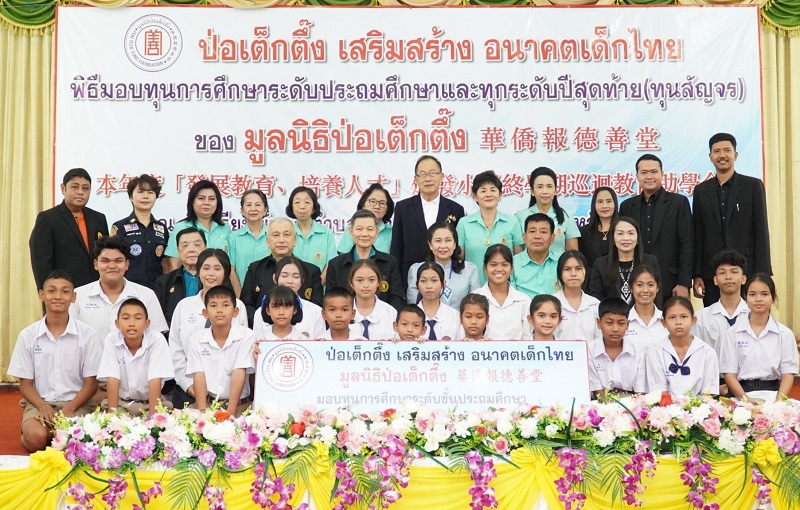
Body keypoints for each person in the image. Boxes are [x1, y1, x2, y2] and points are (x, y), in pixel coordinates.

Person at [8, 270, 101, 452]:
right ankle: (34, 432)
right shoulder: (28, 335)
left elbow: (91, 383)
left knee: (73, 440)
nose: (58, 296)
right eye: (51, 291)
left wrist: (70, 408)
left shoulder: (88, 334)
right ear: (41, 295)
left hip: (78, 404)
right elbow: (25, 384)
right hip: (40, 403)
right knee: (36, 438)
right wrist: (43, 406)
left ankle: (55, 435)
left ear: (73, 297)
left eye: (65, 291)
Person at [693, 133, 771, 307]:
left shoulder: (753, 186)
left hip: (746, 270)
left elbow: (761, 230)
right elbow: (698, 234)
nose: (722, 155)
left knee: (748, 317)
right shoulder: (701, 191)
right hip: (712, 273)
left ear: (735, 155)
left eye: (727, 150)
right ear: (710, 156)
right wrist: (697, 274)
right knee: (714, 318)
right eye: (717, 151)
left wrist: (763, 274)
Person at [169, 249, 248, 409]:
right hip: (189, 392)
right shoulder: (184, 306)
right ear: (198, 271)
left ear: (225, 273)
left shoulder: (238, 306)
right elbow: (175, 349)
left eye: (217, 268)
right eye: (206, 268)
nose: (211, 273)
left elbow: (241, 353)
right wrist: (189, 384)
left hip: (230, 396)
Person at [619, 154, 693, 302]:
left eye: (654, 172)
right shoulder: (627, 206)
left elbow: (687, 243)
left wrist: (684, 283)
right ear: (637, 176)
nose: (649, 176)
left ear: (662, 174)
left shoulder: (678, 203)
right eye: (644, 172)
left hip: (670, 283)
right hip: (634, 282)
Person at [70, 236, 168, 342]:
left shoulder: (147, 295)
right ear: (96, 264)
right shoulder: (77, 296)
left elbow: (157, 338)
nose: (112, 266)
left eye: (118, 261)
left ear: (127, 264)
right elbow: (69, 338)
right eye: (105, 261)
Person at [720, 274, 798, 402]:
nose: (758, 299)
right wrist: (747, 400)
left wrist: (778, 403)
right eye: (752, 294)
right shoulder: (732, 333)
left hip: (774, 395)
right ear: (745, 297)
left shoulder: (785, 334)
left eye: (764, 294)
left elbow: (788, 373)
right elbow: (729, 374)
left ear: (773, 298)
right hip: (740, 395)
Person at [30, 168, 109, 290]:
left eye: (85, 188)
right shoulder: (48, 218)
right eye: (75, 187)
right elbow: (41, 262)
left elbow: (106, 255)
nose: (80, 192)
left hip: (96, 289)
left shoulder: (98, 218)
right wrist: (47, 291)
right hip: (63, 291)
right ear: (63, 188)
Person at [391, 155, 466, 282]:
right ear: (416, 179)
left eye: (432, 173)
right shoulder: (402, 208)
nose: (428, 179)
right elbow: (396, 247)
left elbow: (458, 248)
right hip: (410, 276)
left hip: (447, 278)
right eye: (422, 174)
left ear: (441, 177)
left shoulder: (456, 209)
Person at [186, 285, 255, 415]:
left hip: (239, 406)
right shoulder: (196, 339)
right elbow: (199, 375)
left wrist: (230, 414)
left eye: (225, 305)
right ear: (205, 313)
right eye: (213, 305)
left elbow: (239, 372)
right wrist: (202, 412)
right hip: (207, 404)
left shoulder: (247, 336)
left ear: (235, 312)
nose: (219, 310)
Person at [241, 217, 324, 325]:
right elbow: (247, 305)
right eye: (276, 235)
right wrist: (266, 324)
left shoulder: (311, 271)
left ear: (295, 240)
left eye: (286, 235)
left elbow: (317, 307)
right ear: (267, 241)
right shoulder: (255, 269)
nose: (281, 240)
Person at [97, 298, 174, 415]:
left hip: (150, 402)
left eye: (138, 318)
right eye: (126, 318)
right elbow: (112, 379)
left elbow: (155, 380)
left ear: (147, 323)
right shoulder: (112, 339)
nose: (131, 323)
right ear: (117, 323)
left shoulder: (157, 340)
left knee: (163, 418)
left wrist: (153, 419)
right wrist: (113, 417)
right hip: (121, 403)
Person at [326, 210, 404, 310]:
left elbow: (396, 297)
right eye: (359, 229)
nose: (364, 234)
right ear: (350, 231)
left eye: (370, 229)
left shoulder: (390, 262)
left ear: (377, 232)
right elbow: (331, 299)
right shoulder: (336, 264)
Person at [457, 171, 523, 285]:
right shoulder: (464, 223)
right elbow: (459, 259)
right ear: (475, 196)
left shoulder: (512, 222)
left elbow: (518, 259)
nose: (488, 195)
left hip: (505, 287)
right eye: (483, 191)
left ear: (500, 195)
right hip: (473, 287)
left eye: (493, 190)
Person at [645, 297, 719, 397]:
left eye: (684, 317)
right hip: (665, 405)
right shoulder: (656, 352)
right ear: (664, 322)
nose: (678, 322)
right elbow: (659, 391)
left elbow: (708, 393)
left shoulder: (707, 352)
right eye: (672, 317)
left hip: (699, 405)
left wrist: (695, 405)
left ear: (693, 320)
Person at [110, 174, 169, 290]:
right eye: (140, 192)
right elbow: (113, 259)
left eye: (150, 192)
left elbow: (165, 262)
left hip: (157, 290)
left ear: (156, 197)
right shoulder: (120, 226)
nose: (145, 196)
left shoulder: (162, 228)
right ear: (131, 198)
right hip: (128, 289)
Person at [588, 217, 660, 305]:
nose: (626, 238)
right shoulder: (600, 264)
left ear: (638, 238)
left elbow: (657, 295)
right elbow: (595, 299)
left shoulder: (650, 261)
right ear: (613, 238)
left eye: (631, 233)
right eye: (620, 233)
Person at [406, 222, 480, 307]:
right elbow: (413, 306)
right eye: (438, 241)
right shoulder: (416, 270)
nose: (443, 246)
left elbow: (476, 304)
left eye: (448, 240)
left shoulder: (469, 270)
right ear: (430, 245)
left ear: (455, 244)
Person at [692, 249, 749, 358]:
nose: (728, 277)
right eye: (722, 273)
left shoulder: (754, 315)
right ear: (715, 280)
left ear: (743, 279)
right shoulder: (701, 318)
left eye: (734, 272)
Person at [164, 180, 232, 270]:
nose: (206, 203)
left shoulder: (225, 228)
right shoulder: (181, 227)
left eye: (211, 199)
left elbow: (230, 264)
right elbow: (174, 265)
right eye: (201, 198)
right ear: (192, 201)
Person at [252, 256, 325, 339]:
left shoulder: (316, 311)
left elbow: (319, 344)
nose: (289, 281)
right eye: (284, 276)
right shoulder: (260, 312)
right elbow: (258, 343)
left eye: (296, 277)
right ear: (275, 278)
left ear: (302, 280)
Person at [514, 167, 580, 256]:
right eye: (540, 187)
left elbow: (572, 254)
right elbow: (517, 254)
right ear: (532, 191)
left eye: (549, 186)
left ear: (555, 190)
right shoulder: (520, 216)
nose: (545, 191)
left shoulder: (566, 216)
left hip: (558, 265)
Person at [588, 297, 645, 398]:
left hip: (632, 403)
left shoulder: (638, 351)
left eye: (621, 323)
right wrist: (609, 407)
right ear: (599, 323)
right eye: (609, 323)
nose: (615, 329)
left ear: (628, 324)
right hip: (600, 404)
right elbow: (597, 391)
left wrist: (632, 406)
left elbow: (640, 391)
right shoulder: (589, 350)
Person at [472, 244, 531, 340]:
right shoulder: (473, 298)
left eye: (504, 264)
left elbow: (528, 337)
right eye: (493, 264)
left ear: (511, 268)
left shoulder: (524, 301)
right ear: (485, 268)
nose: (499, 269)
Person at [153, 227, 206, 326]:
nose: (191, 250)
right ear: (178, 250)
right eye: (185, 245)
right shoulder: (164, 282)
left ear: (205, 247)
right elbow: (158, 318)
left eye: (197, 245)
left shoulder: (216, 279)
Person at [286, 186, 337, 281]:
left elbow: (331, 263)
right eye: (297, 202)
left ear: (314, 208)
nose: (302, 206)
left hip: (319, 287)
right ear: (292, 208)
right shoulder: (287, 232)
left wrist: (318, 284)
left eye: (307, 202)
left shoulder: (326, 233)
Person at [554, 251, 599, 342]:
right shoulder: (551, 303)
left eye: (578, 269)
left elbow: (599, 339)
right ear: (560, 274)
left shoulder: (595, 304)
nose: (573, 274)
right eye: (567, 269)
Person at [512, 213, 561, 298]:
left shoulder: (562, 262)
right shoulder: (512, 264)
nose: (537, 236)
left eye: (543, 232)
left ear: (552, 238)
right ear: (524, 237)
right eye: (532, 231)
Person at [338, 183, 395, 254]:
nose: (377, 206)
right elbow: (343, 257)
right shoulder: (352, 229)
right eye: (373, 201)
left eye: (382, 203)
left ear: (387, 209)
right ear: (363, 205)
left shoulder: (393, 232)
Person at [228, 189, 270, 283]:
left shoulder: (273, 236)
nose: (253, 209)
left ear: (265, 210)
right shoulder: (234, 238)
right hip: (242, 290)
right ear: (242, 210)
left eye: (258, 205)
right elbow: (231, 271)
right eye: (248, 205)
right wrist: (239, 293)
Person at [350, 259, 397, 340]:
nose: (366, 285)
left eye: (371, 280)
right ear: (351, 283)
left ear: (378, 282)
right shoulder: (343, 312)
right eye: (360, 280)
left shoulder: (390, 312)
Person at [624, 265, 668, 348]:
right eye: (639, 285)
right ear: (631, 288)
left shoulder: (667, 320)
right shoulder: (623, 321)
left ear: (657, 288)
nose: (645, 290)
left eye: (650, 285)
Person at [414, 262, 461, 341]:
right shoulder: (408, 316)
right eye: (423, 281)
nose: (429, 286)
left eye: (434, 280)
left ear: (443, 283)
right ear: (417, 284)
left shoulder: (455, 316)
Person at [578, 186, 618, 276]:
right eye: (600, 202)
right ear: (594, 205)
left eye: (609, 201)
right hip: (591, 280)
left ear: (615, 203)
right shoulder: (584, 232)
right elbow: (581, 262)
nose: (604, 206)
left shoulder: (622, 230)